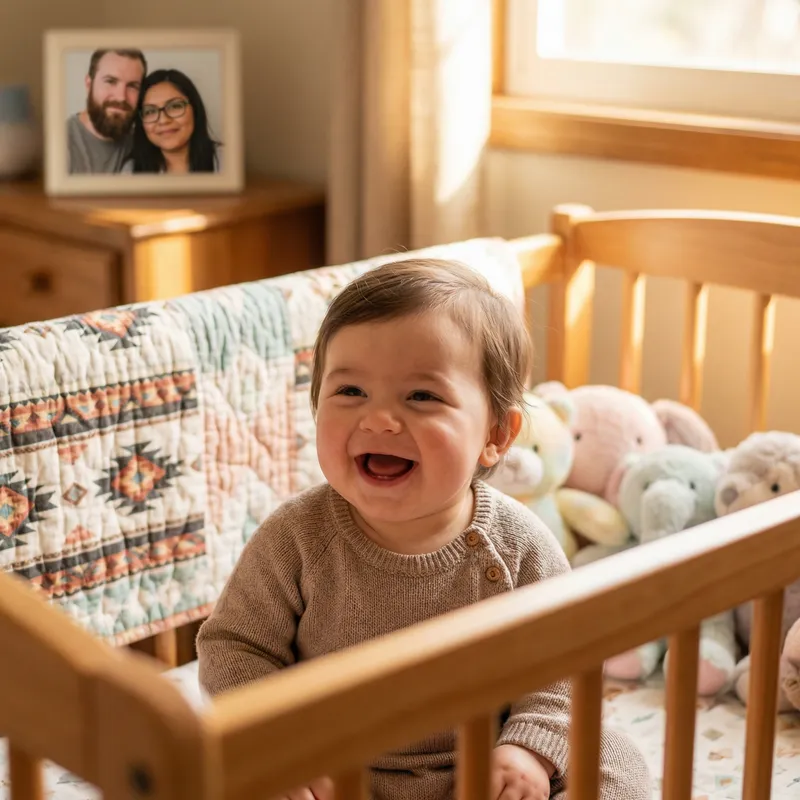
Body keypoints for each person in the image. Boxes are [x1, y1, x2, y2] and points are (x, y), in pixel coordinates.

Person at [196, 259, 651, 800]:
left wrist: (527, 748)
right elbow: (233, 648)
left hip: (482, 771)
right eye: (350, 392)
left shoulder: (518, 544)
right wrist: (285, 747)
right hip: (333, 774)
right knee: (209, 769)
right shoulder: (297, 536)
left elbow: (566, 659)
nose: (380, 419)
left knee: (613, 759)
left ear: (497, 435)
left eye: (421, 397)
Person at [121, 68, 222, 174]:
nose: (163, 120)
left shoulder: (229, 160)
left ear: (195, 109)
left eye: (175, 106)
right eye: (150, 112)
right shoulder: (131, 171)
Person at [67, 48, 146, 174]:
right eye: (110, 81)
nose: (121, 97)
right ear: (89, 84)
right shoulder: (60, 143)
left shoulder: (143, 144)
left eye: (132, 86)